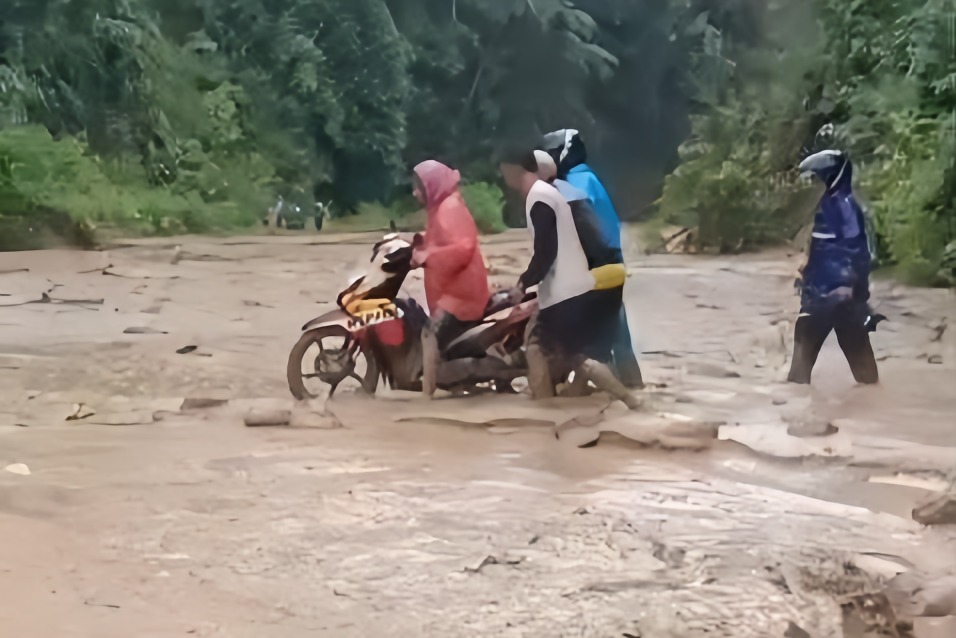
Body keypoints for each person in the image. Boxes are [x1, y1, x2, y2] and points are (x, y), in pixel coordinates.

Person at [498, 148, 640, 410]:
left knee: (537, 346)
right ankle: (627, 399)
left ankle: (545, 411)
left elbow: (546, 252)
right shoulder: (558, 193)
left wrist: (522, 284)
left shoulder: (538, 197)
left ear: (517, 172)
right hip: (583, 285)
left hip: (566, 291)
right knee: (578, 354)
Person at [541, 129, 643, 388]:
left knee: (592, 341)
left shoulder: (574, 186)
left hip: (596, 267)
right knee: (616, 334)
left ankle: (612, 394)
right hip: (609, 264)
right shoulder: (585, 178)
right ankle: (631, 386)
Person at [787, 149, 882, 385]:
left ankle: (798, 412)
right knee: (864, 374)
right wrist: (806, 272)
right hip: (831, 297)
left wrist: (845, 286)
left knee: (800, 372)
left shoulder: (843, 206)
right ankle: (875, 410)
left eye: (818, 178)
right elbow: (826, 250)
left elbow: (855, 251)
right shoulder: (833, 204)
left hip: (833, 298)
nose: (814, 183)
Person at [409, 160, 490, 398]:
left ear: (432, 187)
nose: (415, 193)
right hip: (451, 292)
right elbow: (438, 242)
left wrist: (427, 256)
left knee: (428, 333)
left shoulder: (449, 209)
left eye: (419, 188)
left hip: (462, 295)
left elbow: (463, 248)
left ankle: (428, 395)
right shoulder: (439, 209)